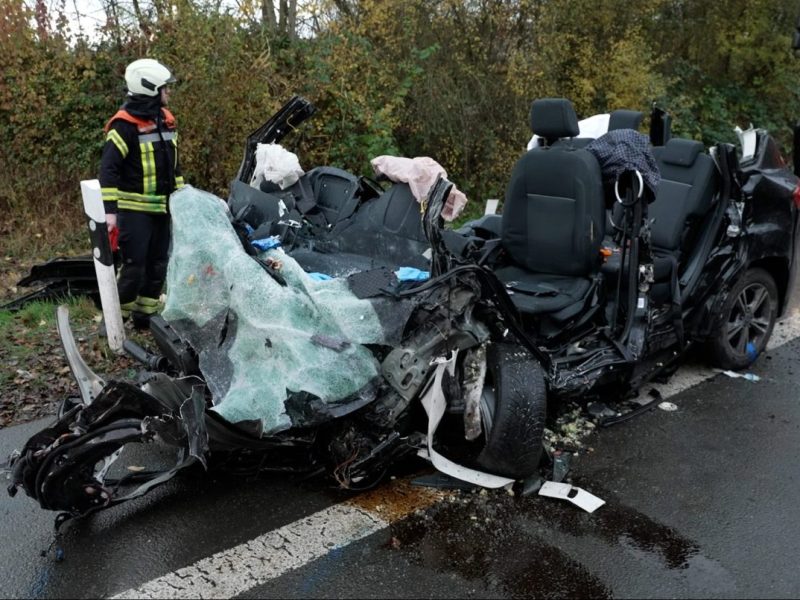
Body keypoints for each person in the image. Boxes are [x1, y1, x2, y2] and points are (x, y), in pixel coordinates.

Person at [99, 58, 184, 329]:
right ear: (149, 88)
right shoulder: (123, 125)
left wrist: (182, 198)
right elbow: (108, 170)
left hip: (163, 208)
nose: (168, 93)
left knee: (158, 265)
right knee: (134, 267)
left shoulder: (166, 121)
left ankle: (144, 318)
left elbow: (174, 166)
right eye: (164, 88)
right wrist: (110, 211)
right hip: (134, 210)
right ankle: (113, 324)